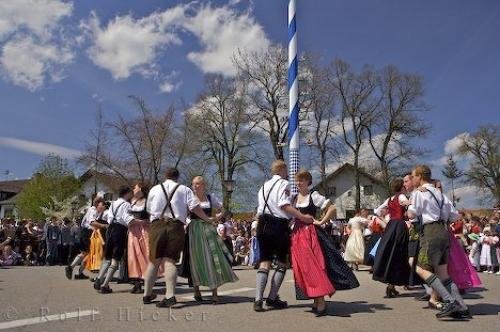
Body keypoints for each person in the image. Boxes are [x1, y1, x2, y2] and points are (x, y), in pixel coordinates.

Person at [290, 170, 359, 317]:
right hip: (297, 236)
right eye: (297, 180)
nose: (298, 182)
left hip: (311, 235)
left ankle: (320, 300)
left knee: (314, 266)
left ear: (308, 182)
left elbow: (332, 208)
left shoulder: (313, 195)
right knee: (303, 268)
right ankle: (316, 298)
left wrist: (321, 221)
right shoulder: (294, 198)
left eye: (301, 180)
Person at [142, 168, 213, 308]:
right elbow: (195, 208)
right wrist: (207, 219)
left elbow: (149, 209)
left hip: (157, 225)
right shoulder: (184, 189)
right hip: (175, 226)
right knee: (170, 261)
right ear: (178, 177)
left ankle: (147, 295)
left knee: (153, 261)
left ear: (165, 176)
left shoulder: (155, 189)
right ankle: (170, 296)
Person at [408, 165, 470, 319]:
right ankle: (461, 305)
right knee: (443, 273)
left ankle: (450, 301)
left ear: (420, 176)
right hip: (444, 232)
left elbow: (411, 215)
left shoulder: (418, 193)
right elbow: (455, 215)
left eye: (413, 176)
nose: (412, 179)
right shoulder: (439, 193)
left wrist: (409, 203)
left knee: (420, 269)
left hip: (430, 232)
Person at [253, 160, 314, 312]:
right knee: (282, 263)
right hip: (277, 225)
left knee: (264, 261)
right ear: (282, 169)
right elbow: (284, 205)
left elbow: (260, 210)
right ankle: (272, 298)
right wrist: (302, 216)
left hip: (262, 223)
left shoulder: (263, 186)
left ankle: (258, 300)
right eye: (286, 170)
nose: (288, 174)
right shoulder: (284, 184)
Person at [187, 176, 237, 304]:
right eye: (193, 184)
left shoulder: (210, 197)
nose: (195, 186)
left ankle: (214, 293)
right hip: (194, 230)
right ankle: (196, 290)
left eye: (197, 184)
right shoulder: (190, 198)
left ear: (204, 185)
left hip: (208, 229)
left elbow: (223, 208)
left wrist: (216, 217)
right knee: (195, 259)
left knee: (213, 257)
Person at [93, 187, 138, 294]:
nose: (131, 195)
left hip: (110, 228)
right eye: (130, 193)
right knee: (116, 257)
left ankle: (99, 278)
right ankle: (105, 285)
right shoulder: (126, 204)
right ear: (126, 194)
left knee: (107, 256)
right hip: (120, 230)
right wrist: (136, 222)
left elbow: (109, 216)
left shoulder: (113, 203)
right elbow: (126, 218)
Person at [372, 178, 411, 298]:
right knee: (400, 253)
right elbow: (407, 203)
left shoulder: (389, 199)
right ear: (402, 187)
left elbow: (377, 211)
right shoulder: (401, 197)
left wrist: (385, 220)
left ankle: (391, 285)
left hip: (391, 226)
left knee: (391, 254)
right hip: (400, 226)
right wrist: (412, 205)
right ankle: (398, 283)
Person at [127, 183, 163, 294]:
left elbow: (155, 215)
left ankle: (147, 280)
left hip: (145, 231)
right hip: (133, 232)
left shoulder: (148, 202)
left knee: (146, 255)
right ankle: (137, 283)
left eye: (135, 187)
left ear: (141, 189)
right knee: (134, 257)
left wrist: (148, 222)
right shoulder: (132, 202)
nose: (134, 189)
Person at [66, 197, 105, 280]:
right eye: (102, 204)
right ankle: (71, 267)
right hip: (87, 233)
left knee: (86, 253)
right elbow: (92, 222)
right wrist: (103, 226)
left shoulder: (95, 211)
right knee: (87, 253)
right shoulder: (93, 210)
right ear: (97, 203)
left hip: (86, 232)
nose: (103, 205)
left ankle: (78, 272)